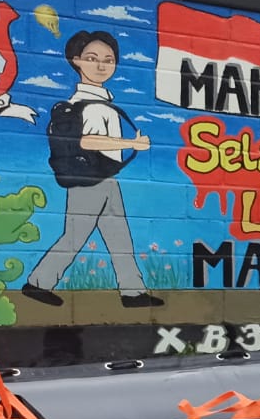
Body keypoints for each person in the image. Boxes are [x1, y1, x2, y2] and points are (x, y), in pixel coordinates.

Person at [21, 30, 163, 309]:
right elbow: (86, 141)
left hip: (104, 178)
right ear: (76, 61)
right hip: (91, 180)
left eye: (108, 59)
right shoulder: (90, 106)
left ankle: (132, 293)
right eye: (92, 58)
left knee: (118, 236)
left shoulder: (101, 102)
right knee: (75, 235)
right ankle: (38, 283)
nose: (101, 65)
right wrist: (131, 142)